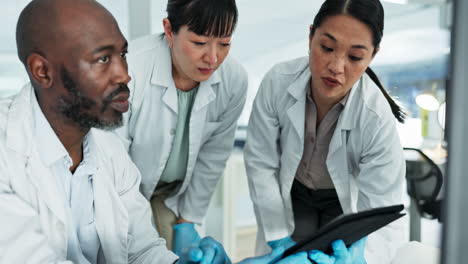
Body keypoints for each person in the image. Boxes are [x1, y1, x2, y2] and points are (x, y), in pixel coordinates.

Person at [0, 0, 227, 263]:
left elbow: (142, 250)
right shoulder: (7, 151)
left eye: (123, 55)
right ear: (42, 71)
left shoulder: (108, 148)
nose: (123, 75)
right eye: (103, 59)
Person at [244, 0, 407, 263]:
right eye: (327, 47)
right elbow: (261, 162)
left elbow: (382, 210)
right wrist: (277, 235)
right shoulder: (277, 82)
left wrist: (361, 258)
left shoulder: (375, 118)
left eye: (354, 57)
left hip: (340, 204)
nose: (336, 66)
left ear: (372, 56)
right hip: (293, 193)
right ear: (311, 36)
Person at [115, 0, 248, 255]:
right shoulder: (130, 69)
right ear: (169, 30)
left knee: (179, 254)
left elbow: (214, 155)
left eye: (224, 43)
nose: (212, 58)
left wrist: (187, 221)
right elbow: (114, 161)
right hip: (125, 189)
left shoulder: (233, 80)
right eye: (199, 43)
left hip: (172, 193)